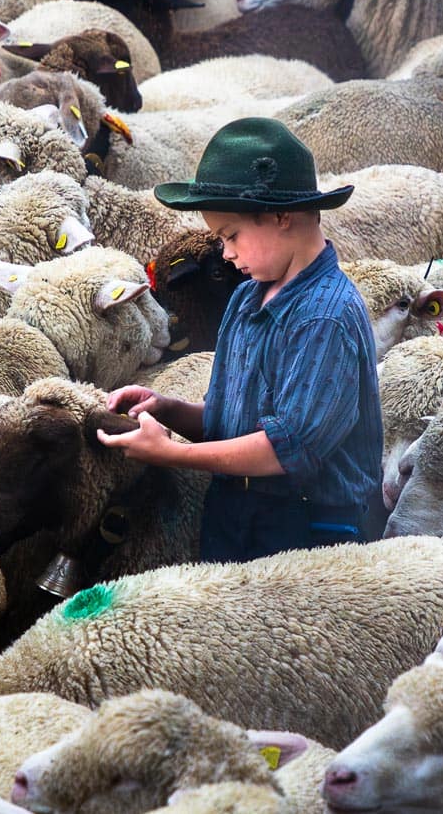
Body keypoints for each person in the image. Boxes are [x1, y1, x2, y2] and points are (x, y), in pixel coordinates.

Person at [97, 117, 383, 563]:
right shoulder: (248, 297)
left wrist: (170, 454)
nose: (226, 253)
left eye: (232, 236)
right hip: (237, 510)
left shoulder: (325, 317)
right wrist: (167, 409)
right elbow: (237, 418)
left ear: (280, 216)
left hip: (313, 530)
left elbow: (285, 451)